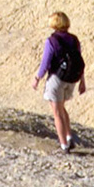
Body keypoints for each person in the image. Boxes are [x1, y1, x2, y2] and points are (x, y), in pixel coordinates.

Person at [32, 11, 86, 152]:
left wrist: (37, 78)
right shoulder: (74, 40)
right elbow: (79, 60)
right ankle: (68, 137)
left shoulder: (52, 41)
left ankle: (64, 145)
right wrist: (82, 81)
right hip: (71, 79)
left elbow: (45, 63)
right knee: (61, 108)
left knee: (56, 112)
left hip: (57, 78)